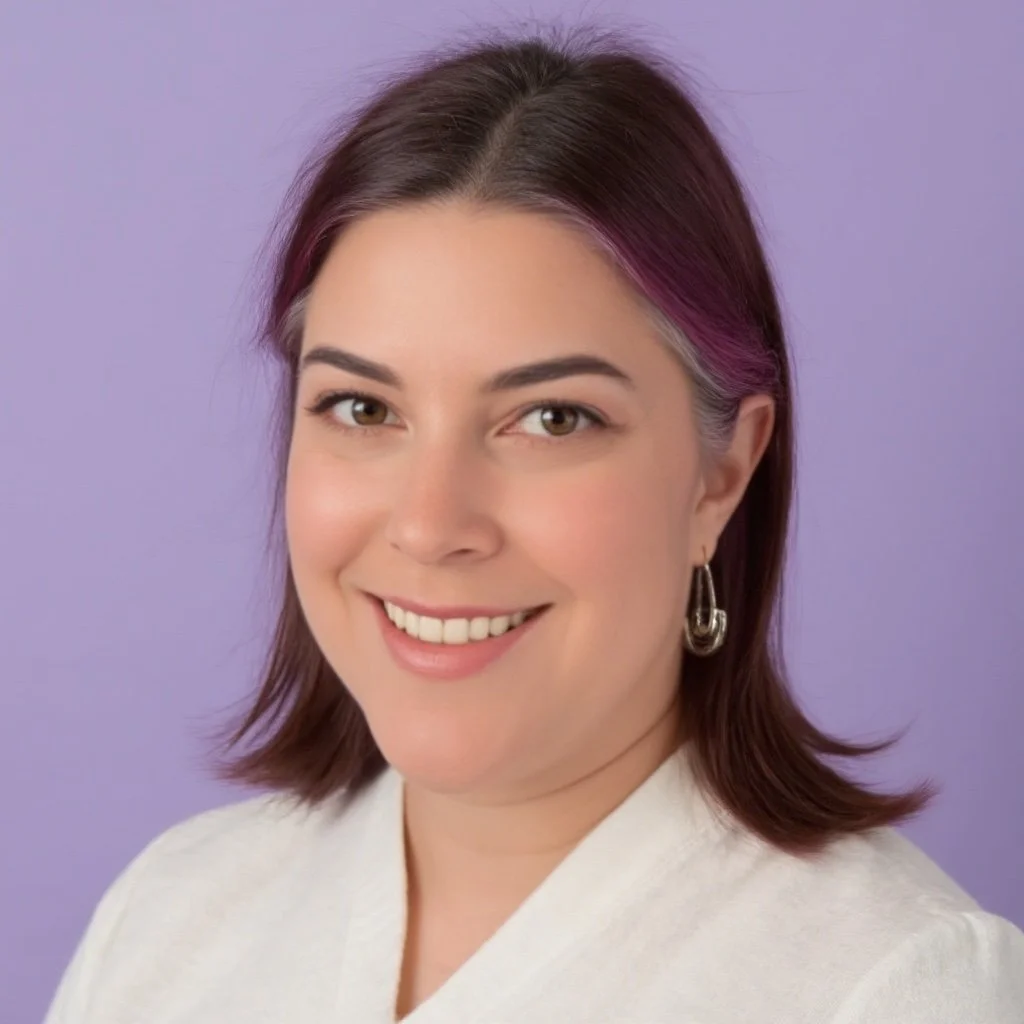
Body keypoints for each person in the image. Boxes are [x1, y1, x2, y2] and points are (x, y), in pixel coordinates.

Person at [44, 25, 1024, 1024]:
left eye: (552, 419)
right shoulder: (171, 918)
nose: (430, 525)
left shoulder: (893, 985)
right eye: (362, 408)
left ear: (722, 472)